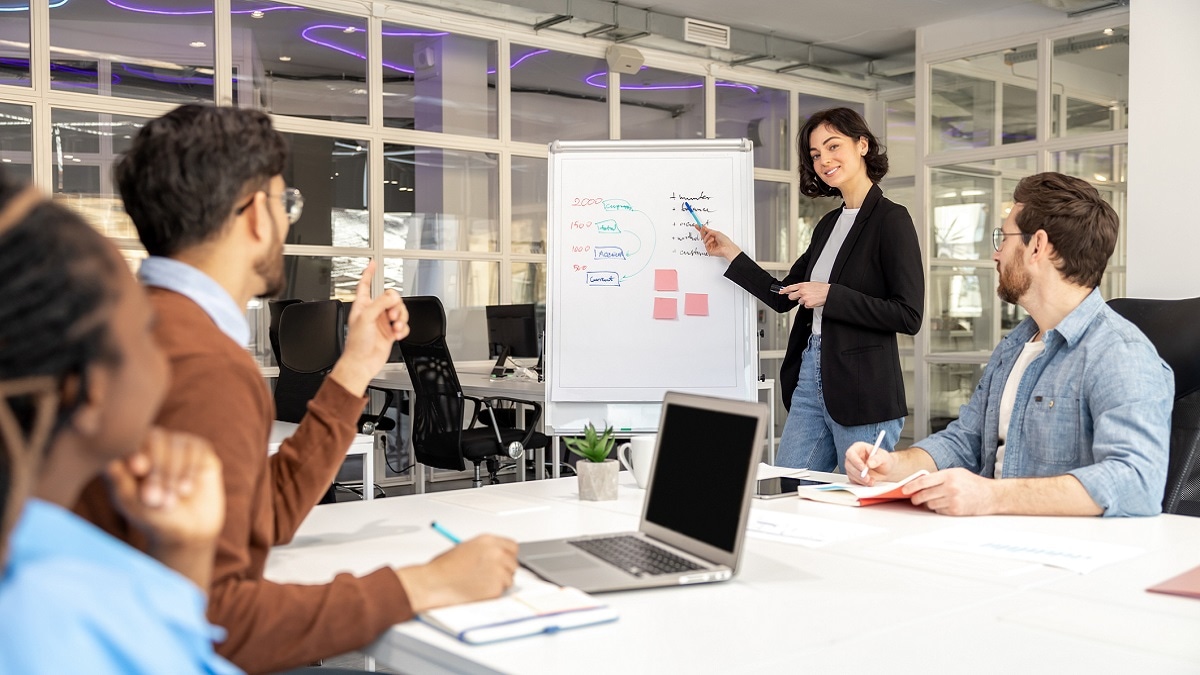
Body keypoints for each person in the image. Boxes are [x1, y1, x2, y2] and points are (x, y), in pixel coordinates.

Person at [74, 104, 519, 674]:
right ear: (257, 213)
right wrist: (422, 584)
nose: (288, 222)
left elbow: (269, 514)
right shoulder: (202, 365)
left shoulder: (137, 327)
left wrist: (356, 364)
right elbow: (220, 622)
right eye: (287, 203)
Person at [0, 172, 240, 674]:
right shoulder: (54, 624)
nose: (165, 356)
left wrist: (185, 552)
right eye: (147, 331)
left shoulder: (43, 552)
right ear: (88, 388)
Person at [847, 172, 1172, 517]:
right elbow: (965, 441)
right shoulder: (1015, 346)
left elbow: (1137, 481)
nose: (996, 254)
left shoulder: (1120, 353)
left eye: (1003, 237)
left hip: (1060, 555)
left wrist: (992, 496)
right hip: (989, 539)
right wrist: (892, 465)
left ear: (1037, 246)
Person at [701, 107, 923, 472]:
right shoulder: (828, 224)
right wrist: (731, 252)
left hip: (864, 389)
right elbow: (782, 295)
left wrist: (831, 295)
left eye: (833, 147)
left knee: (859, 505)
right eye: (816, 154)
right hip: (810, 376)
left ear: (863, 145)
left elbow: (908, 314)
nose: (824, 160)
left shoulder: (891, 219)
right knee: (787, 486)